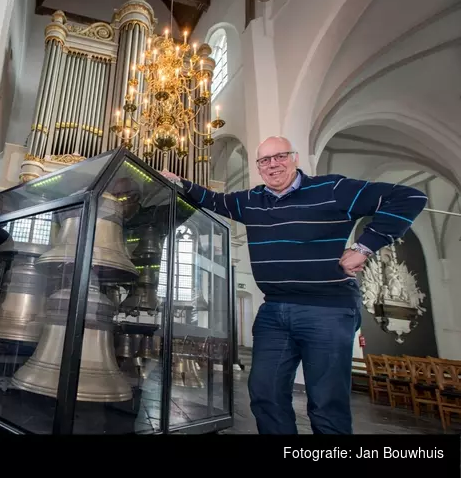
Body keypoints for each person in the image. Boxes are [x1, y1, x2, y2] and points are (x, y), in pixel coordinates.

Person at [161, 136, 427, 434]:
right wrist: (179, 181)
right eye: (265, 160)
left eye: (280, 156)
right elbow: (213, 199)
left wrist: (364, 247)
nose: (273, 164)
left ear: (295, 158)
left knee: (326, 403)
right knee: (265, 393)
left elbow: (410, 198)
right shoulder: (252, 201)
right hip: (274, 310)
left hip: (328, 309)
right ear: (259, 167)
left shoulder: (332, 189)